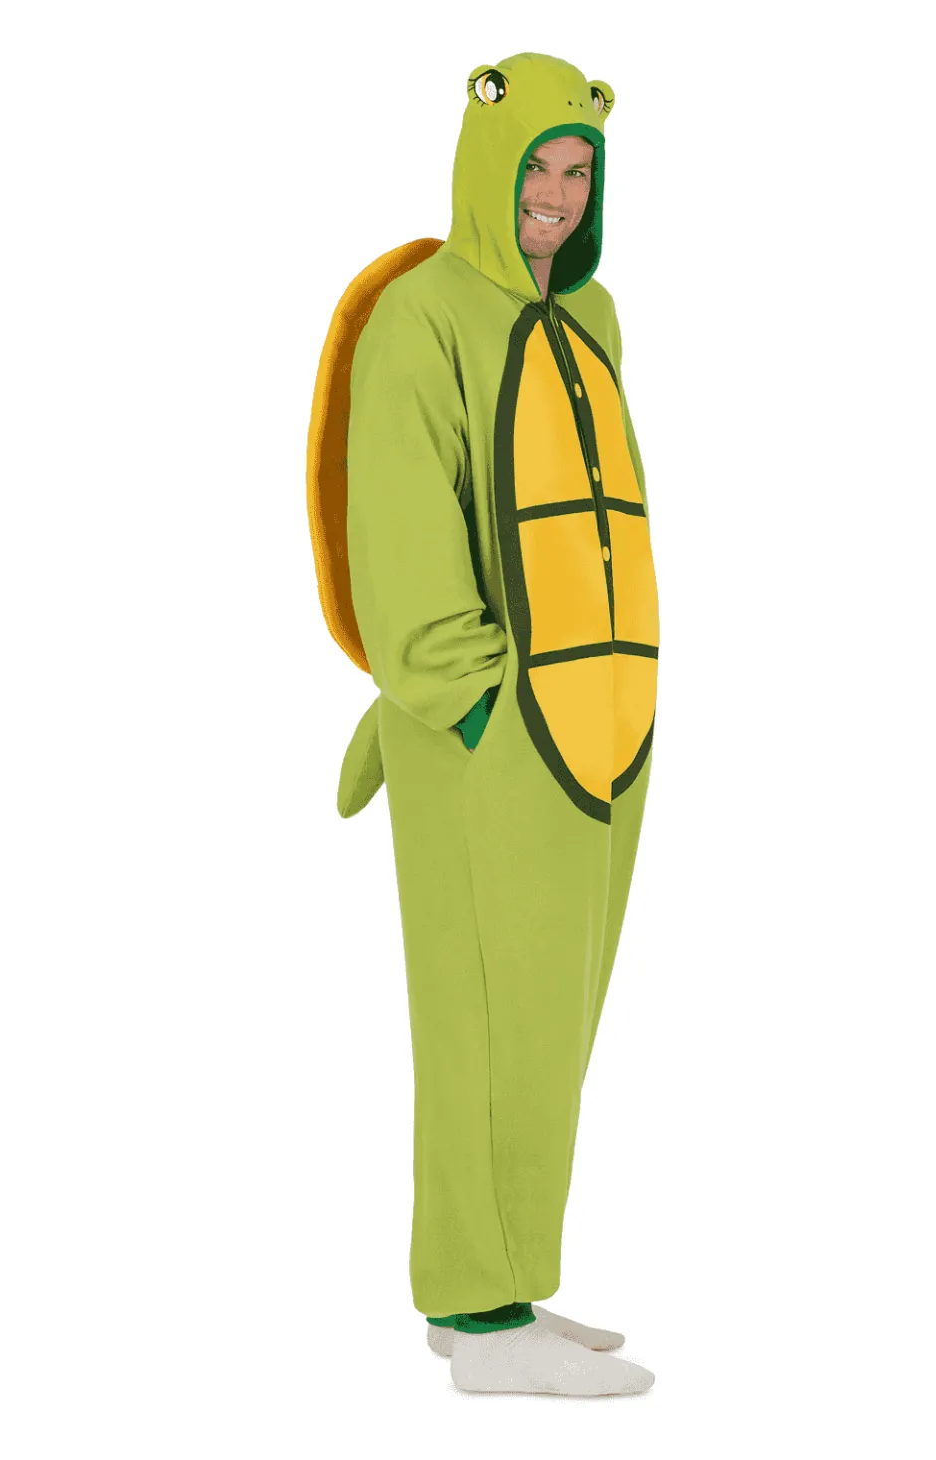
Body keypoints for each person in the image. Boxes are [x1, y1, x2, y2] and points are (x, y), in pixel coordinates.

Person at [319, 52, 660, 1396]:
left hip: (602, 721)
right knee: (478, 1018)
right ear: (486, 164)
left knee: (547, 1022)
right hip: (489, 728)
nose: (557, 197)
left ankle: (497, 1290)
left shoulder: (594, 318)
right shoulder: (423, 315)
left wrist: (617, 694)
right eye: (538, 170)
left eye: (579, 172)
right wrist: (471, 702)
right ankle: (479, 1308)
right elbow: (404, 520)